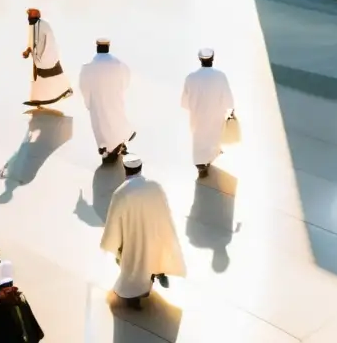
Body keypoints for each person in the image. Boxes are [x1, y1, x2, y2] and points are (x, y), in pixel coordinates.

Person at [100, 155, 186, 309]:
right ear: (140, 169)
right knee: (149, 260)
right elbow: (164, 211)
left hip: (131, 238)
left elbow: (113, 220)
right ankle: (153, 277)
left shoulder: (120, 193)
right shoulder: (155, 187)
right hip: (153, 235)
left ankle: (134, 297)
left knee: (133, 267)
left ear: (125, 170)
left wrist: (114, 242)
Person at [79, 38, 135, 165]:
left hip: (97, 101)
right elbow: (126, 79)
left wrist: (89, 101)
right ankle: (118, 143)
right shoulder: (118, 64)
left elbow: (83, 86)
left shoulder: (88, 66)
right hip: (114, 98)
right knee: (116, 119)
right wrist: (119, 90)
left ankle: (106, 149)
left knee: (101, 124)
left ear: (97, 48)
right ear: (108, 47)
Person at [181, 48, 235, 178]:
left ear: (200, 60)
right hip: (216, 115)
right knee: (213, 137)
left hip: (197, 116)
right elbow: (228, 99)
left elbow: (184, 102)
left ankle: (200, 165)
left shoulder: (190, 77)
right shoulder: (220, 76)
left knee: (199, 139)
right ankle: (210, 158)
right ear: (212, 59)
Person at [0, 262, 44, 343]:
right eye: (5, 290)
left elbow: (35, 332)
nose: (10, 291)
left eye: (10, 287)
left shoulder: (22, 305)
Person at [21, 8, 73, 107]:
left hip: (47, 57)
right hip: (37, 58)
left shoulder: (45, 26)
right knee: (38, 79)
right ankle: (36, 99)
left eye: (31, 16)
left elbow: (51, 42)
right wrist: (27, 51)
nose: (29, 18)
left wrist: (45, 57)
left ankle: (66, 90)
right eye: (29, 16)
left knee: (55, 75)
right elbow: (31, 42)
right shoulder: (32, 26)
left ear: (37, 16)